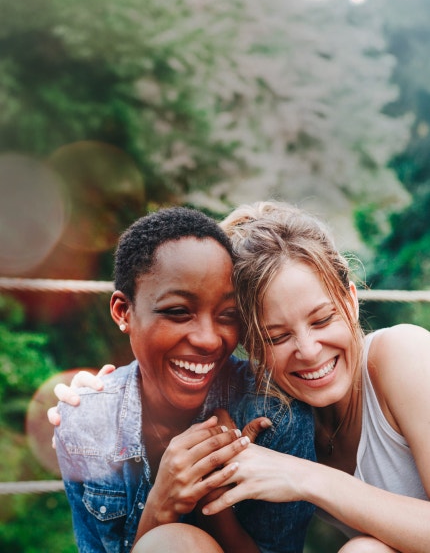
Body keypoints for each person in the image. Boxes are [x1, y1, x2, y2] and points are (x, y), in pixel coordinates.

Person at [52, 206, 316, 553]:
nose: (208, 339)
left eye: (228, 315)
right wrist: (161, 504)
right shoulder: (84, 424)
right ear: (123, 312)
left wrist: (215, 497)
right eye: (178, 312)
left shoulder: (274, 415)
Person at [198, 200, 430, 553]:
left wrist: (306, 478)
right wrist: (88, 388)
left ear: (350, 300)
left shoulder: (403, 354)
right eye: (276, 337)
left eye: (321, 320)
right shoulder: (279, 417)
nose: (308, 350)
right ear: (251, 347)